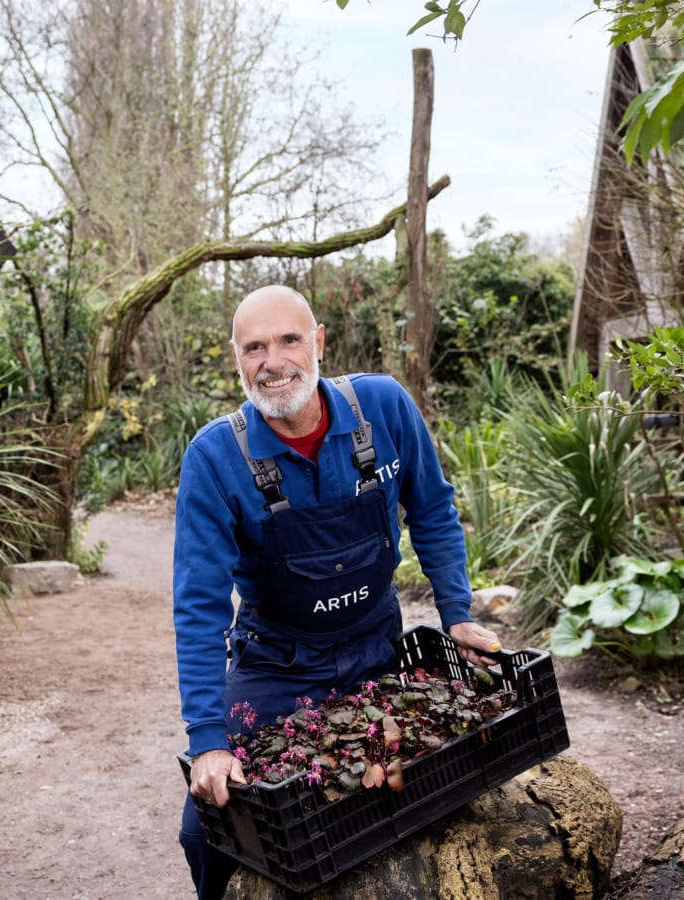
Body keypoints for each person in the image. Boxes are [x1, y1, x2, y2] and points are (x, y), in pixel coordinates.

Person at [172, 284, 502, 898]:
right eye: (255, 348)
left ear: (319, 342)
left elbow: (432, 510)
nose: (273, 362)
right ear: (237, 358)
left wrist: (456, 613)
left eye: (289, 340)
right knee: (206, 832)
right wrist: (208, 739)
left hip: (379, 652)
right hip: (277, 667)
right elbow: (199, 606)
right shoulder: (215, 457)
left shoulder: (383, 406)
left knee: (449, 776)